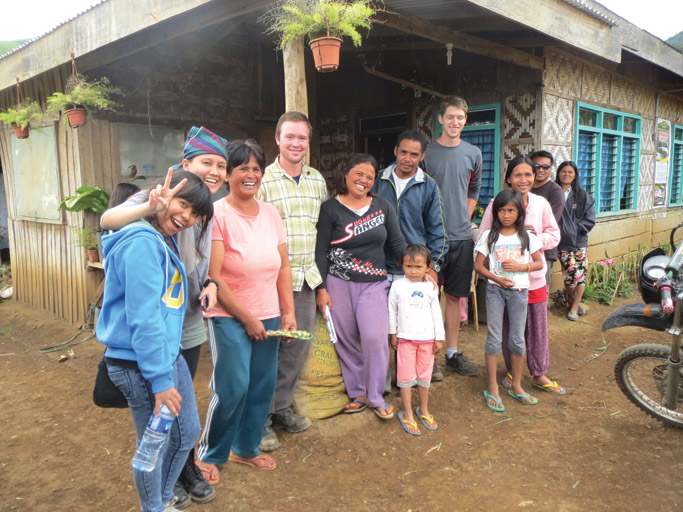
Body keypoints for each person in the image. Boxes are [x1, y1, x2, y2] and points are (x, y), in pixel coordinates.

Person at [101, 126, 228, 507]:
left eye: (195, 213)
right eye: (182, 207)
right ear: (185, 162)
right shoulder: (142, 240)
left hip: (166, 354)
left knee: (186, 431)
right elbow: (143, 320)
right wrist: (159, 380)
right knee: (154, 442)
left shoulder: (165, 238)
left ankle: (162, 498)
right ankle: (155, 504)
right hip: (142, 363)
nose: (187, 216)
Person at [195, 139, 296, 481]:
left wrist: (289, 311)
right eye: (242, 168)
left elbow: (283, 266)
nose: (250, 175)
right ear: (228, 176)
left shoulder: (270, 213)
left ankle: (246, 448)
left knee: (261, 387)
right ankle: (209, 452)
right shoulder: (217, 213)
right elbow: (215, 277)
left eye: (257, 169)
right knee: (233, 385)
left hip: (269, 312)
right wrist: (248, 319)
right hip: (228, 314)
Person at [256, 112, 328, 452]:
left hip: (305, 280)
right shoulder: (263, 180)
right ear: (278, 139)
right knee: (266, 351)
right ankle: (259, 421)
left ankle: (280, 409)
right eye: (290, 137)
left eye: (302, 137)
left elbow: (322, 231)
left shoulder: (316, 180)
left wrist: (323, 283)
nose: (296, 143)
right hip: (270, 282)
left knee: (295, 349)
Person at [315, 153, 405, 419]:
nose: (364, 180)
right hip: (337, 283)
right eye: (359, 174)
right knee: (347, 341)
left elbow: (397, 244)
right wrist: (321, 288)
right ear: (346, 174)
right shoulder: (330, 208)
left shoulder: (383, 207)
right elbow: (320, 252)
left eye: (370, 177)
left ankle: (376, 395)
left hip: (374, 283)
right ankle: (358, 393)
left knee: (374, 338)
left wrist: (423, 268)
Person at [479, 156, 565, 396]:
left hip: (533, 279)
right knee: (507, 327)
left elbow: (554, 236)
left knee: (537, 326)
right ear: (509, 178)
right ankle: (510, 370)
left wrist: (532, 237)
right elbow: (484, 235)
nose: (524, 179)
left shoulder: (541, 204)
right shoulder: (498, 203)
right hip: (504, 281)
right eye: (518, 175)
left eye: (529, 174)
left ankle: (538, 373)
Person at [373, 129, 448, 382]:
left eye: (414, 154)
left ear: (422, 156)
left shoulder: (429, 186)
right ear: (395, 151)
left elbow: (438, 230)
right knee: (385, 322)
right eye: (403, 152)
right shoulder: (378, 180)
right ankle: (387, 374)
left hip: (416, 268)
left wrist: (433, 267)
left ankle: (425, 365)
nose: (407, 158)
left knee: (417, 317)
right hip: (381, 263)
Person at [423, 95, 482, 377]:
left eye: (460, 118)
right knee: (429, 295)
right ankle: (429, 355)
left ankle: (452, 353)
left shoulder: (473, 153)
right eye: (450, 117)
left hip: (461, 237)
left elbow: (474, 191)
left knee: (456, 296)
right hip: (431, 238)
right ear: (441, 119)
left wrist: (463, 217)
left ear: (465, 120)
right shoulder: (427, 152)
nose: (454, 122)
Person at [474, 190, 544, 411]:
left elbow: (539, 263)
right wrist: (497, 278)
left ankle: (516, 385)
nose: (506, 215)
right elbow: (478, 266)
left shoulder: (527, 236)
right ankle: (493, 387)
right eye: (502, 210)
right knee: (494, 338)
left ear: (519, 212)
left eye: (511, 210)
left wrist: (522, 267)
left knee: (517, 339)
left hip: (520, 292)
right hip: (495, 290)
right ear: (496, 213)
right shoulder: (488, 236)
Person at [389, 244, 445, 436]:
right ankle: (407, 413)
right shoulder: (397, 286)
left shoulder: (430, 287)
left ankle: (424, 409)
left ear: (428, 267)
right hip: (405, 340)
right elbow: (392, 312)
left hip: (427, 340)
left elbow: (436, 312)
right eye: (408, 266)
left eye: (419, 267)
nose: (413, 271)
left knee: (424, 376)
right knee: (405, 378)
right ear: (401, 266)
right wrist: (393, 334)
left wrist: (439, 338)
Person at [555, 160, 596, 321]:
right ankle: (573, 301)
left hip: (579, 240)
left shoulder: (582, 196)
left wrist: (572, 230)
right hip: (560, 241)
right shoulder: (554, 193)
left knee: (581, 274)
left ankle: (573, 307)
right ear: (558, 173)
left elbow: (590, 220)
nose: (566, 174)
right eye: (563, 171)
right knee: (570, 273)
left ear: (575, 176)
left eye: (570, 172)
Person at [530, 150, 565, 291]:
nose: (540, 170)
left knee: (540, 291)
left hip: (543, 248)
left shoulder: (555, 191)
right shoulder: (525, 187)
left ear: (551, 169)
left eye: (545, 167)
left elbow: (551, 222)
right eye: (536, 166)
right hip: (520, 247)